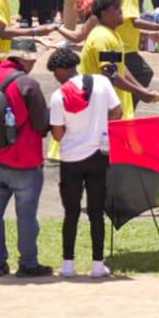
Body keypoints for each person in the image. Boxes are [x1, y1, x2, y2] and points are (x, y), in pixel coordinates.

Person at [0, 38, 51, 278]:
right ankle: (28, 263)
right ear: (26, 59)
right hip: (24, 161)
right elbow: (41, 124)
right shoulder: (27, 83)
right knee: (26, 216)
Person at [47, 44, 121, 280]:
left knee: (71, 212)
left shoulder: (59, 95)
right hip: (99, 154)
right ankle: (98, 265)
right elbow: (117, 112)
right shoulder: (102, 82)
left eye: (54, 72)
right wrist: (99, 124)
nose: (55, 77)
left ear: (61, 69)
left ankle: (68, 263)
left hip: (71, 159)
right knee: (96, 212)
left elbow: (58, 135)